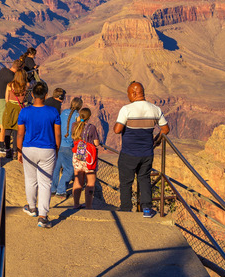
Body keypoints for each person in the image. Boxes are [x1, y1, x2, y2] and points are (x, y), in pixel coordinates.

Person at [113, 81, 170, 217]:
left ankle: (126, 209)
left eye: (128, 94)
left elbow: (117, 130)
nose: (128, 97)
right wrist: (156, 141)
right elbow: (165, 129)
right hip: (147, 153)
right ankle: (146, 209)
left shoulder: (126, 109)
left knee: (126, 181)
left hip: (129, 153)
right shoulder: (155, 109)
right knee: (144, 179)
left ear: (133, 93)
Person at [16, 82, 61, 229]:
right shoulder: (53, 112)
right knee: (45, 183)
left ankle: (32, 207)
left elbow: (20, 133)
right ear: (46, 95)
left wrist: (18, 150)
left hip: (28, 149)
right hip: (48, 149)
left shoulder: (24, 112)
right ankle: (43, 216)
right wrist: (57, 149)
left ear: (33, 95)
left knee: (30, 180)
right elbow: (58, 134)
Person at [51, 97, 83, 198]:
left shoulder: (64, 112)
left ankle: (52, 189)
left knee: (56, 167)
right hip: (68, 146)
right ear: (80, 106)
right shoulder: (77, 116)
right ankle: (61, 191)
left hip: (58, 143)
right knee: (69, 169)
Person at [71, 108, 100, 209]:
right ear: (89, 117)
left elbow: (73, 137)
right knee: (90, 182)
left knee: (78, 180)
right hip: (89, 157)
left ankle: (76, 204)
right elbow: (96, 143)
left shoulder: (74, 125)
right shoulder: (91, 127)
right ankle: (88, 206)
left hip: (77, 156)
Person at [0, 60, 20, 157]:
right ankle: (1, 145)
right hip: (2, 100)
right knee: (3, 123)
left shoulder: (3, 70)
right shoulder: (12, 77)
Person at [0, 68, 27, 162]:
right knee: (16, 132)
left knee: (7, 129)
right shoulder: (25, 86)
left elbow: (6, 98)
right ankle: (15, 152)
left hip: (10, 108)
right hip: (19, 109)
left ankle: (8, 151)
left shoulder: (10, 85)